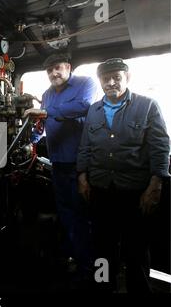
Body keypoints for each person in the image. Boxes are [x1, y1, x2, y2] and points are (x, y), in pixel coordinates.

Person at [77, 58, 170, 292]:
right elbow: (85, 147)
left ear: (127, 78)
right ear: (100, 82)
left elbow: (160, 147)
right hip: (100, 191)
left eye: (116, 77)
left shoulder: (148, 105)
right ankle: (102, 288)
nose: (111, 83)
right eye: (105, 79)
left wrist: (156, 185)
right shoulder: (94, 110)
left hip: (135, 193)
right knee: (102, 249)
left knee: (136, 251)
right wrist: (82, 177)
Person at [30, 53, 98, 284]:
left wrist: (47, 113)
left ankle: (90, 269)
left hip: (81, 166)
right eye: (49, 70)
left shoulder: (85, 84)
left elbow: (83, 107)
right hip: (58, 164)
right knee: (66, 214)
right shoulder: (47, 94)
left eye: (57, 68)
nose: (53, 73)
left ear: (68, 67)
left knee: (83, 217)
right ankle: (73, 259)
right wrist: (33, 135)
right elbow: (43, 123)